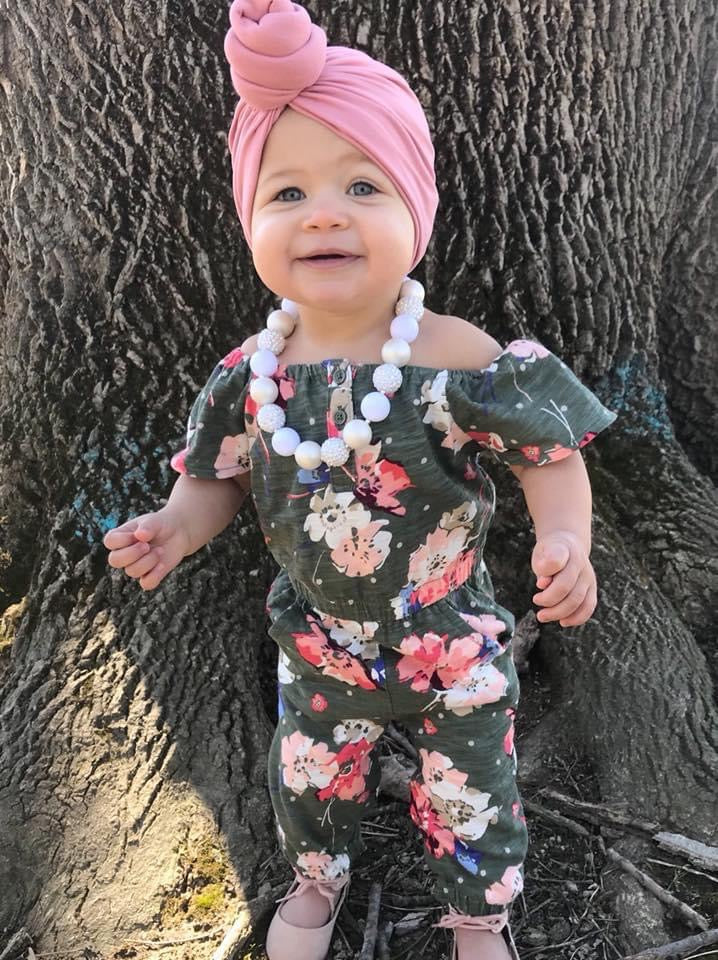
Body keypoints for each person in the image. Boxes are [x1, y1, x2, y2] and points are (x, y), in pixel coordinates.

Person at [103, 2, 618, 958]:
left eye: (362, 185)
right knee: (308, 778)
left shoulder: (458, 357)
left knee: (473, 791)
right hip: (320, 640)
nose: (325, 212)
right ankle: (316, 881)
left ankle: (478, 917)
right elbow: (216, 477)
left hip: (451, 643)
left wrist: (564, 540)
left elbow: (552, 452)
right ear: (250, 220)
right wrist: (177, 524)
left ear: (415, 209)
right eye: (286, 192)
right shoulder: (250, 372)